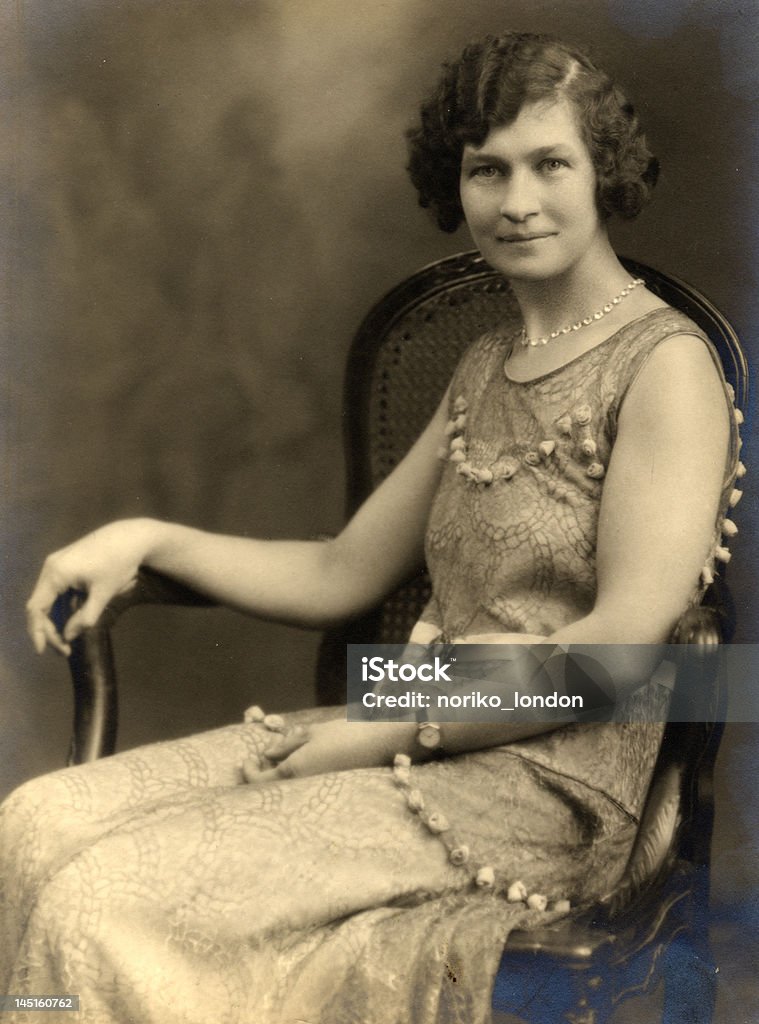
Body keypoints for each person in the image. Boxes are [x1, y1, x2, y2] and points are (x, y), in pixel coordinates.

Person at [1, 31, 741, 1024]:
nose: (517, 200)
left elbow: (611, 657)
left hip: (544, 787)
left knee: (106, 901)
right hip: (411, 724)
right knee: (32, 822)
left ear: (603, 173)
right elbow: (344, 568)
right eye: (489, 169)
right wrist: (145, 537)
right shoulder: (487, 363)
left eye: (549, 163)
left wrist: (380, 726)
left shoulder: (666, 367)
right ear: (457, 184)